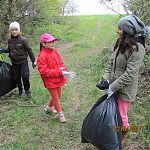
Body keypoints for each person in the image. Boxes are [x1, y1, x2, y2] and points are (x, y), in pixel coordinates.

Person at [100, 15, 146, 143]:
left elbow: (130, 73)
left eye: (120, 29)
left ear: (127, 30)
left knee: (121, 115)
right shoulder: (120, 42)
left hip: (126, 89)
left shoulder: (138, 47)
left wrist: (112, 87)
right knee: (113, 112)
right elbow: (111, 63)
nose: (117, 31)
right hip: (113, 85)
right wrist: (105, 79)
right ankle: (114, 132)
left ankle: (123, 136)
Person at [37, 33, 75, 123]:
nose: (53, 43)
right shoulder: (42, 56)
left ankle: (49, 108)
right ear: (44, 44)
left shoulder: (54, 52)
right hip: (49, 81)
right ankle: (60, 114)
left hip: (58, 78)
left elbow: (61, 63)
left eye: (53, 41)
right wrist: (59, 71)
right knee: (56, 97)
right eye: (50, 42)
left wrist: (65, 71)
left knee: (59, 95)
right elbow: (44, 71)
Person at [0, 21, 36, 98]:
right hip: (14, 62)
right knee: (17, 77)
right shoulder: (9, 40)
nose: (14, 31)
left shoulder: (23, 40)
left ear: (19, 30)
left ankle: (27, 90)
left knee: (25, 76)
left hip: (23, 62)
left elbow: (29, 50)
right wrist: (3, 50)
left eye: (16, 29)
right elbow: (10, 50)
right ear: (10, 31)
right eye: (12, 30)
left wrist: (33, 61)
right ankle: (20, 90)